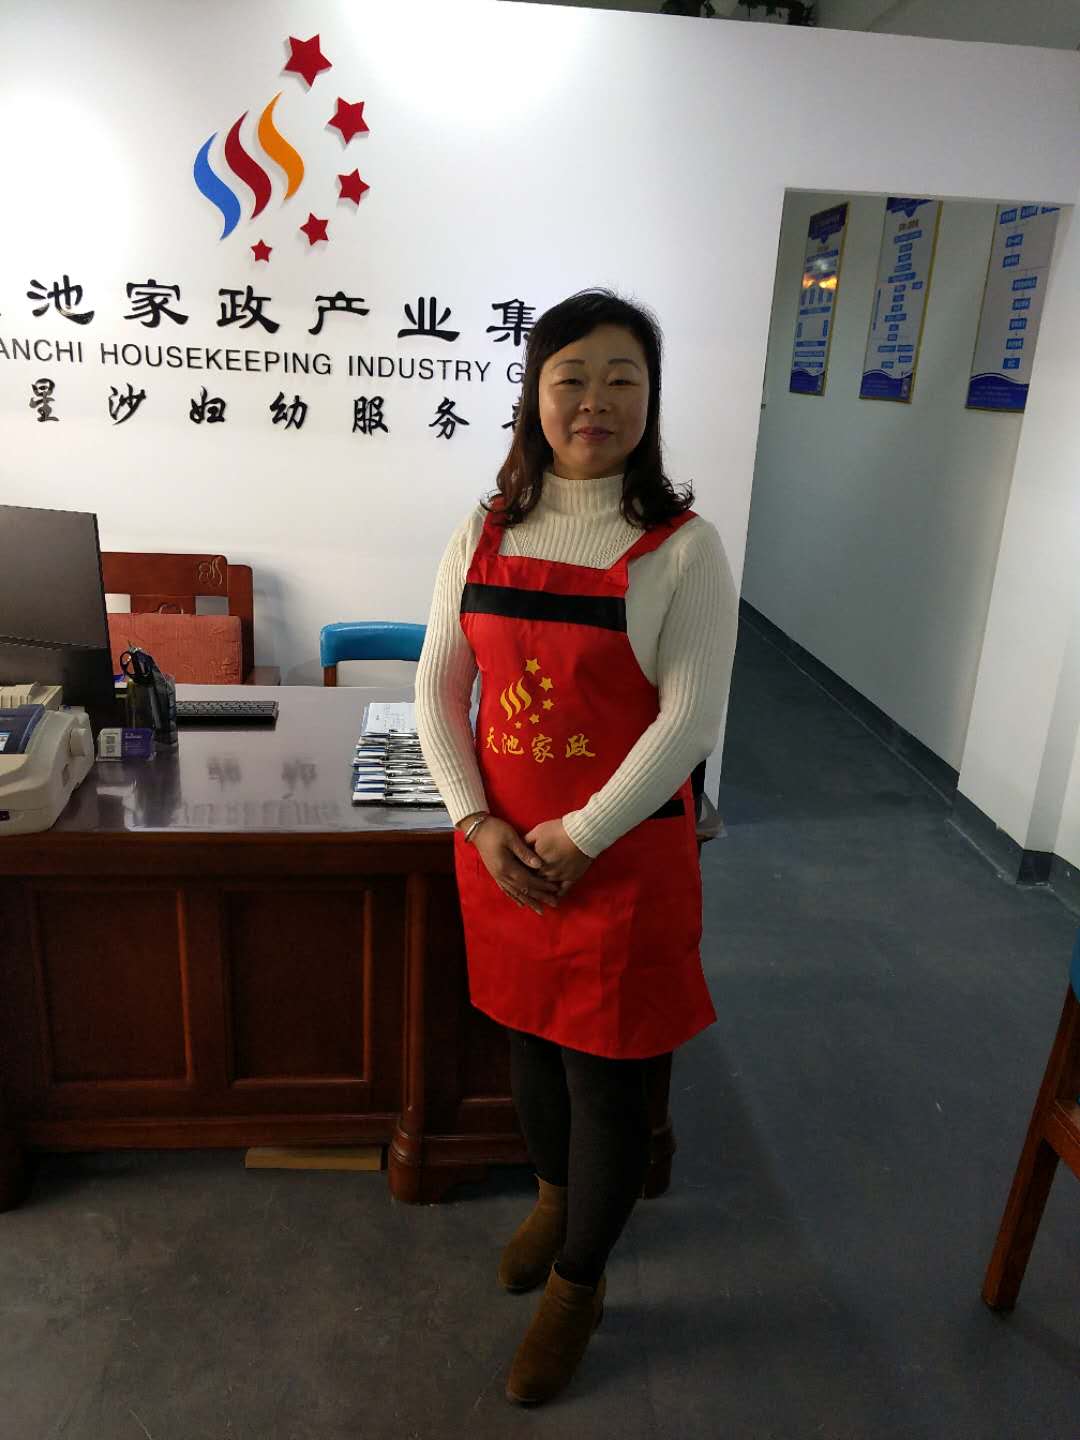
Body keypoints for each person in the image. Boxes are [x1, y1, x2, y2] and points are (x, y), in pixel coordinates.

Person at [415, 287, 738, 1406]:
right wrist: (477, 820)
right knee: (529, 1042)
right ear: (534, 395)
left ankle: (577, 1286)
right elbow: (438, 683)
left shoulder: (683, 552)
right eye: (572, 379)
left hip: (619, 863)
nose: (595, 402)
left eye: (622, 380)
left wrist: (581, 834)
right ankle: (553, 1200)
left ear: (651, 400)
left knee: (606, 1080)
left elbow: (689, 721)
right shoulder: (483, 530)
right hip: (505, 853)